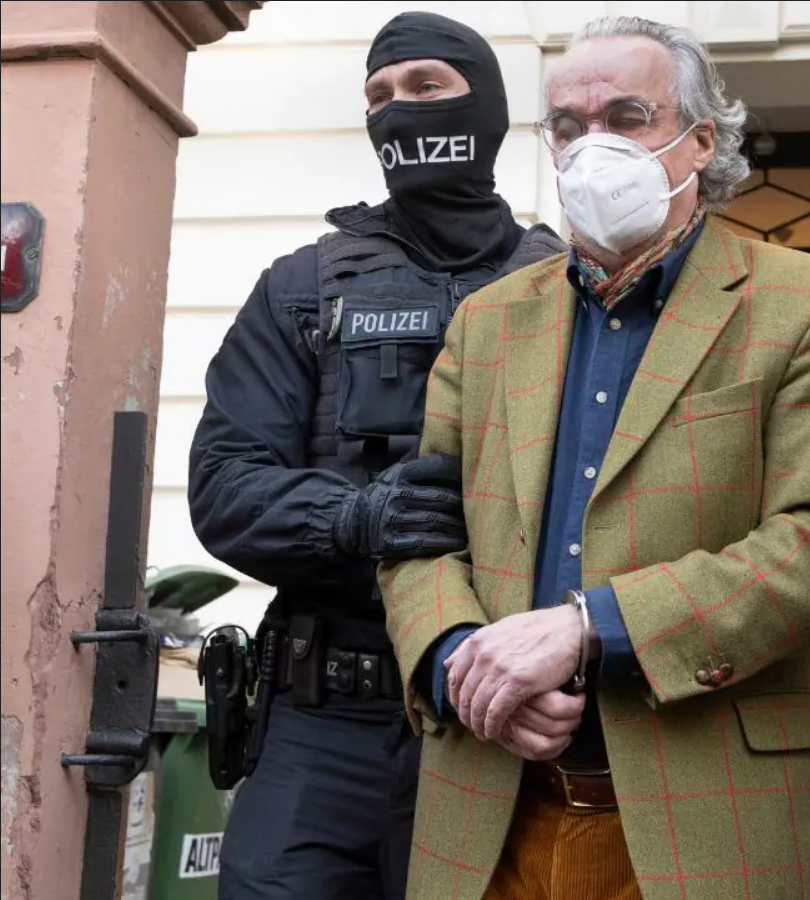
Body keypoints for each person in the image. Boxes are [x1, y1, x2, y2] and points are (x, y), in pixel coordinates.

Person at [375, 15, 810, 900]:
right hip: (495, 812)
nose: (593, 147)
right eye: (569, 127)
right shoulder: (486, 322)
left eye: (625, 118)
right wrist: (466, 663)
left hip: (714, 822)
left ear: (701, 142)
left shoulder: (809, 303)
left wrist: (590, 627)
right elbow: (422, 534)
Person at [187, 12, 567, 899]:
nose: (399, 109)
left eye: (427, 86)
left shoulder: (570, 285)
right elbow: (224, 486)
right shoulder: (305, 286)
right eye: (379, 95)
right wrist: (352, 517)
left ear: (486, 107)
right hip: (326, 720)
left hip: (501, 714)